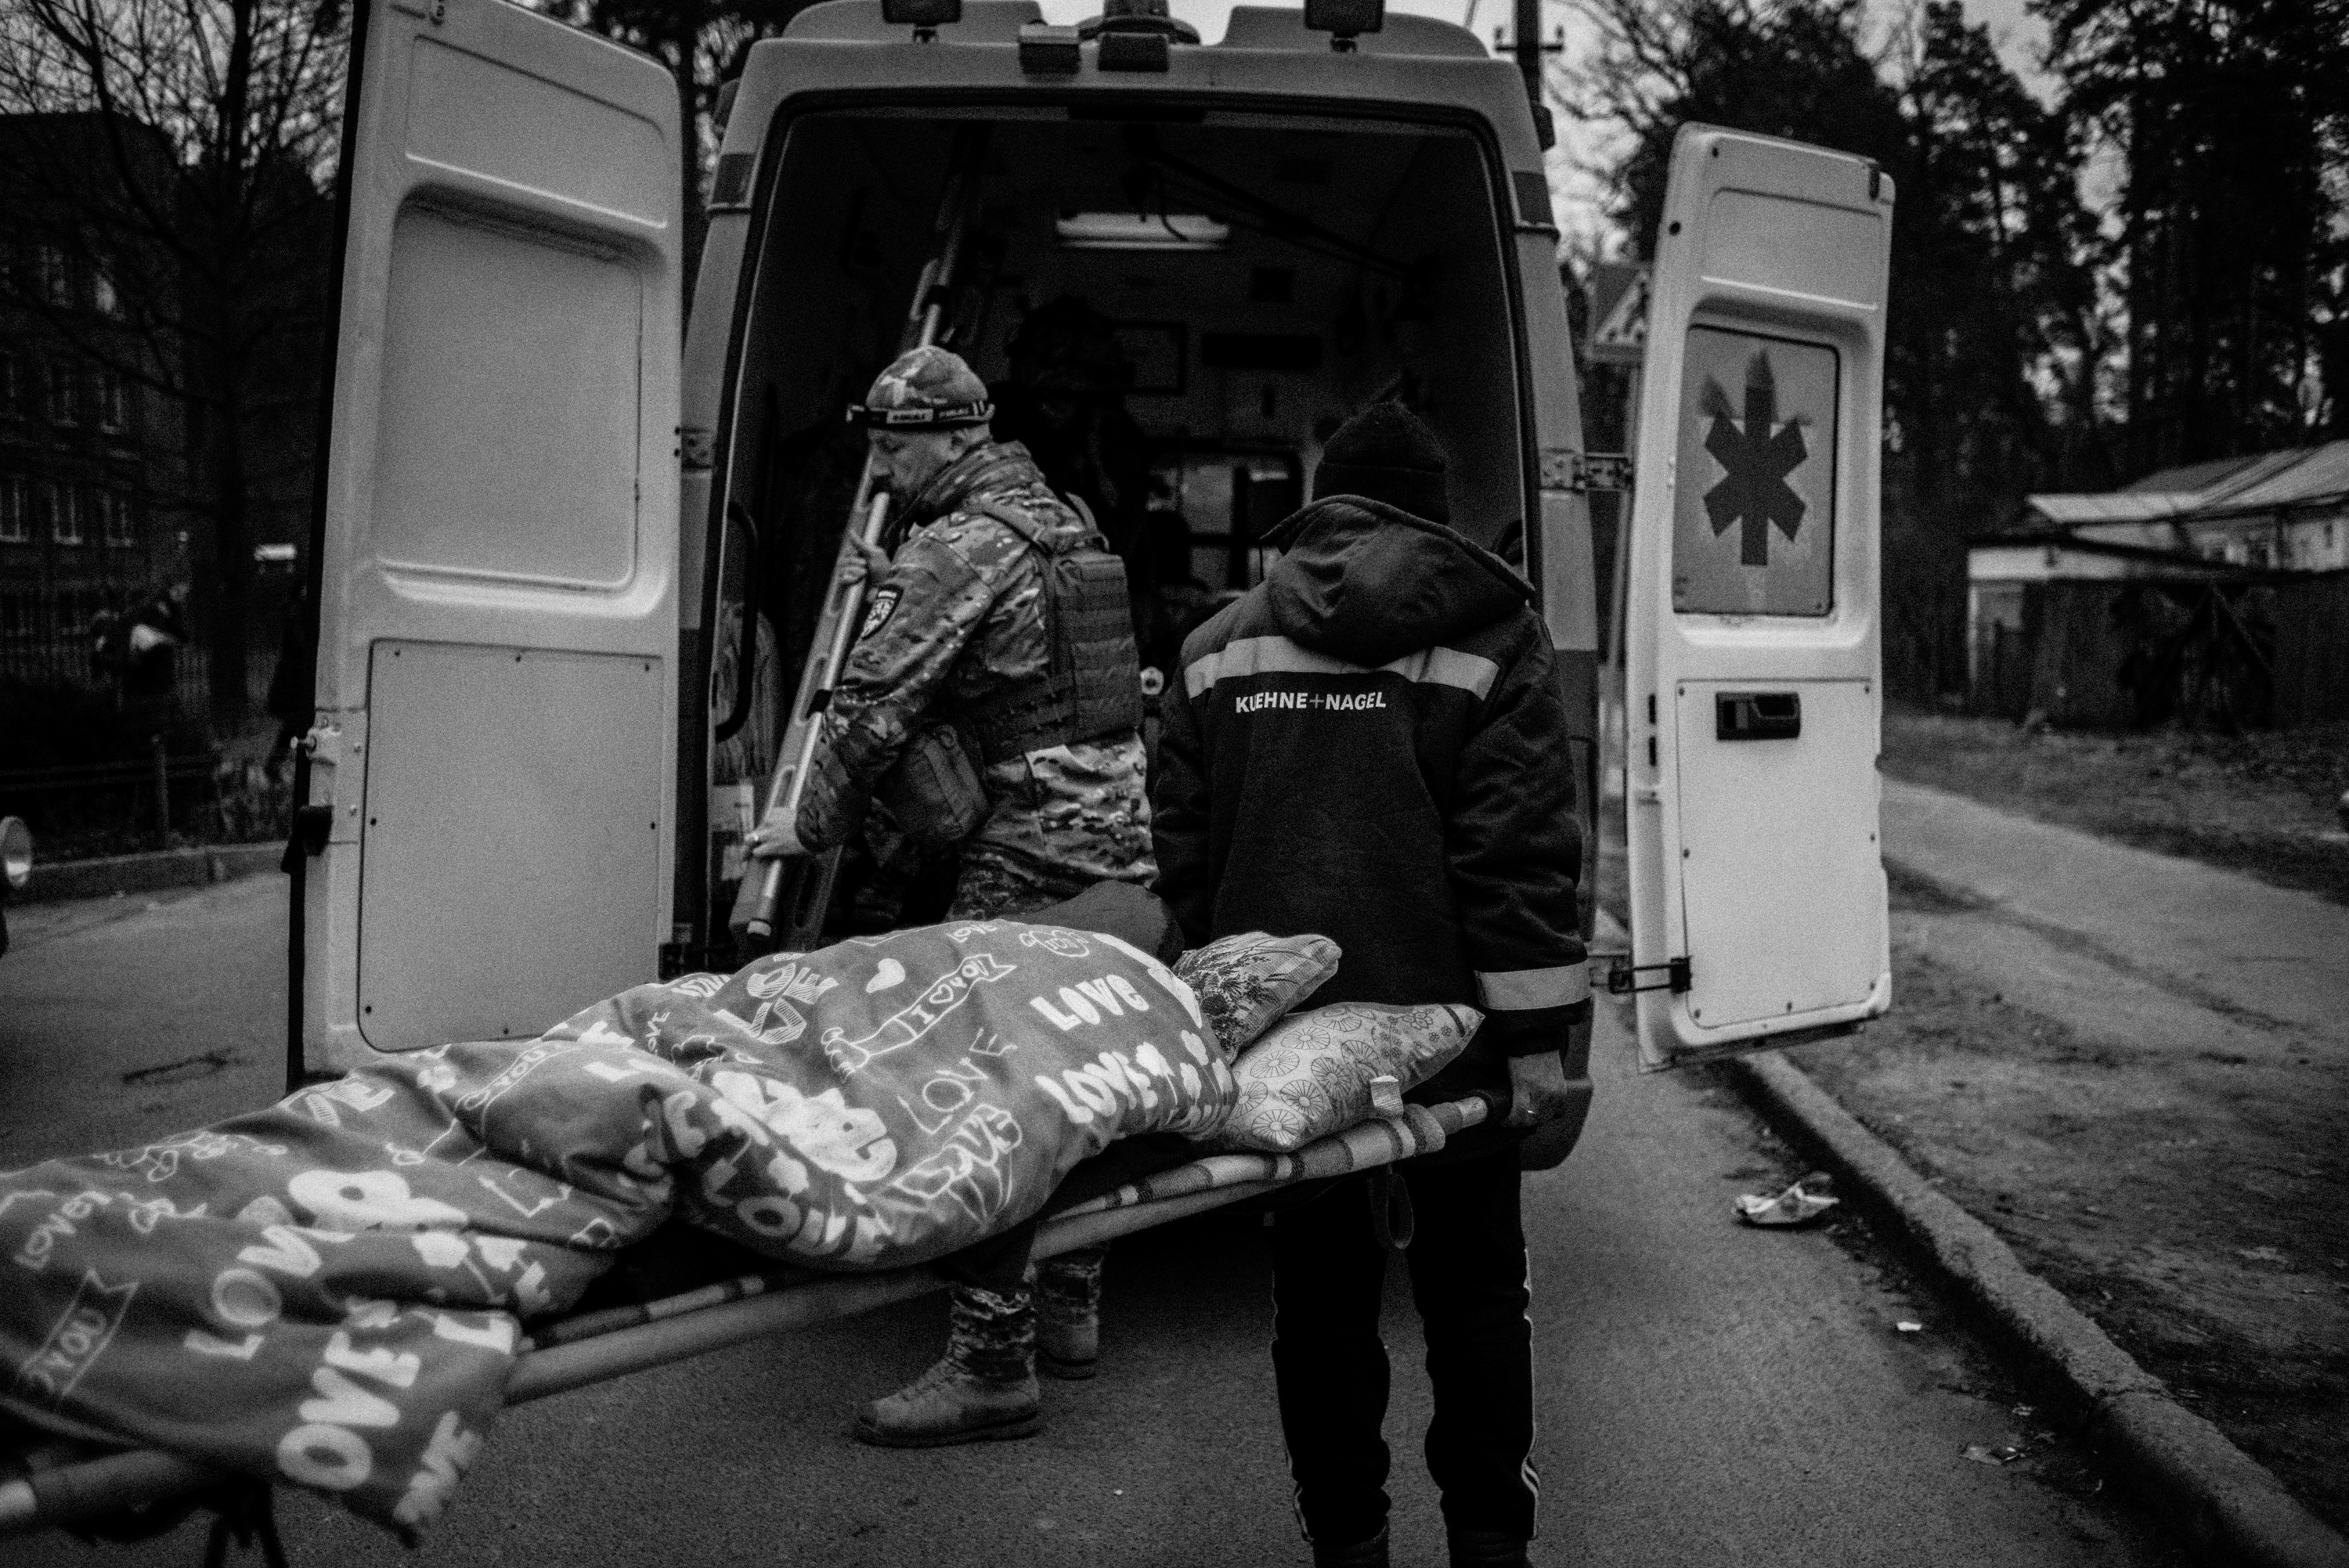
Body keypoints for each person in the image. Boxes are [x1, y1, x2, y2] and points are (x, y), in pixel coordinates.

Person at [1151, 402, 1588, 1568]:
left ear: (1321, 504)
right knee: (1478, 1295)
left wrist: (1236, 1001)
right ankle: (1490, 1542)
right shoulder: (1495, 637)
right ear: (1433, 520)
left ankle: (1349, 1544)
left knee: (1323, 1300)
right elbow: (1521, 855)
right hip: (1458, 1049)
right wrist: (1542, 1042)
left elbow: (1182, 855)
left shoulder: (1217, 648)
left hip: (1296, 1058)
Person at [748, 344, 1153, 1447]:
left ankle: (992, 1358)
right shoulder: (1061, 516)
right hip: (1117, 830)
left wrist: (806, 822)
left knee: (997, 1088)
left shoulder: (961, 544)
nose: (882, 468)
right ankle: (1071, 1305)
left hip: (1030, 843)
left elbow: (875, 702)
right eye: (875, 443)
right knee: (1086, 1071)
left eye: (896, 444)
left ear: (959, 436)